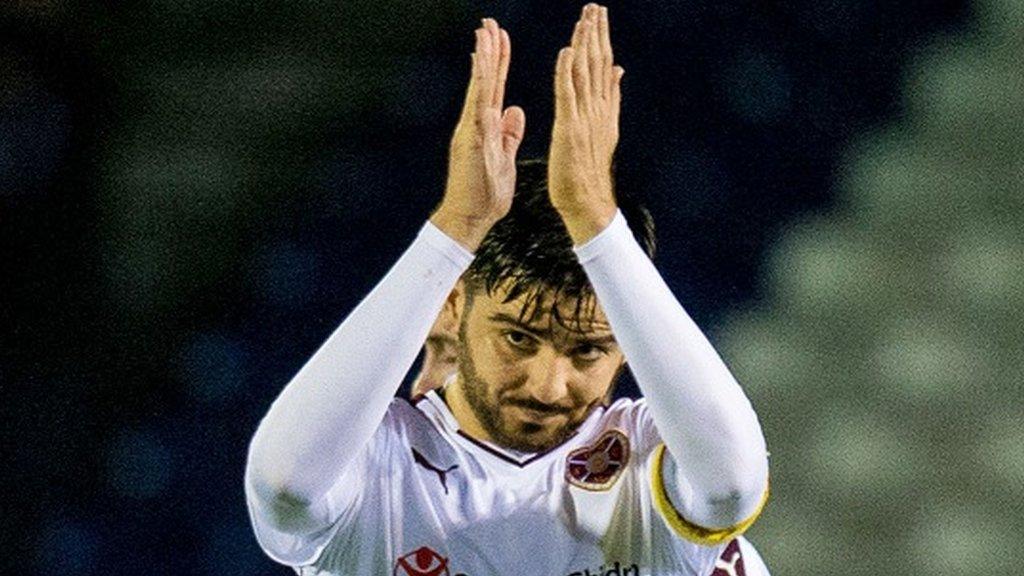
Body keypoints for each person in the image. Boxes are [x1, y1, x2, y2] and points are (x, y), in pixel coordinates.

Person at [245, 5, 771, 575]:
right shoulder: (377, 470)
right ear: (451, 305)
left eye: (588, 350)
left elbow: (732, 485)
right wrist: (453, 232)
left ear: (626, 346)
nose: (549, 386)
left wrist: (595, 218)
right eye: (518, 338)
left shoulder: (648, 465)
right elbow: (284, 485)